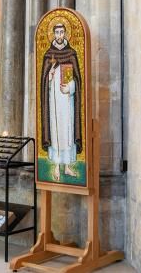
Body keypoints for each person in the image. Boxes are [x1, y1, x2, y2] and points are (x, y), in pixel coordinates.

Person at [40, 23, 83, 181]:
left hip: (67, 100)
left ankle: (68, 167)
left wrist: (71, 87)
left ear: (65, 33)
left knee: (68, 131)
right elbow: (44, 81)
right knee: (56, 131)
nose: (59, 35)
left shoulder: (71, 54)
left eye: (62, 32)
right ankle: (57, 167)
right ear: (53, 34)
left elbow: (77, 79)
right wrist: (49, 76)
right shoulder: (48, 55)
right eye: (57, 32)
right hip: (54, 101)